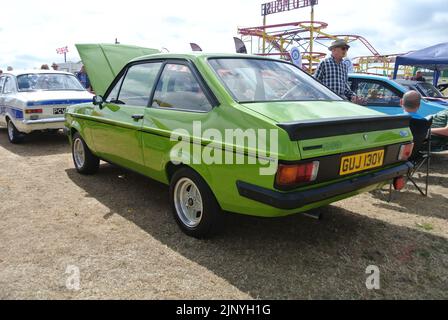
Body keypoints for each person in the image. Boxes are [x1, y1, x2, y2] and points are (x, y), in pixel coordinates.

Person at [314, 39, 361, 103]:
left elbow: (345, 87)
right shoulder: (324, 63)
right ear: (334, 49)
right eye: (343, 48)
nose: (345, 50)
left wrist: (353, 96)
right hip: (326, 101)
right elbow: (314, 83)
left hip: (341, 101)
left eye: (347, 49)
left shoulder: (344, 66)